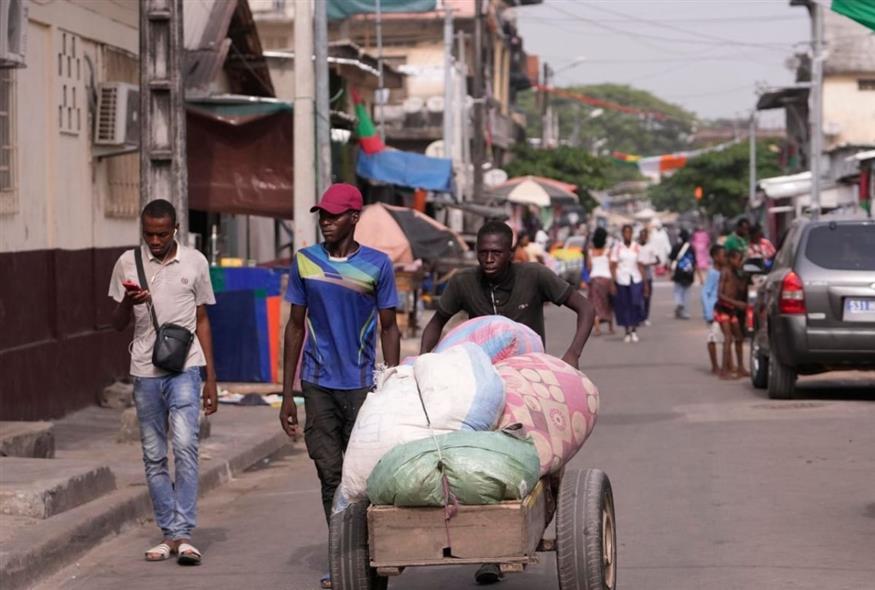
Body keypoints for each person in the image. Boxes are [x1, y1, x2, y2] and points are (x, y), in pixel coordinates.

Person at [419, 220, 594, 585]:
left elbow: (585, 308)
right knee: (484, 462)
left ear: (511, 253)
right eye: (482, 252)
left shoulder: (535, 277)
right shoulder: (464, 283)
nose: (488, 259)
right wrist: (425, 363)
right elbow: (436, 323)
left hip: (531, 384)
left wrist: (572, 354)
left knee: (545, 463)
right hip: (482, 384)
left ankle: (553, 521)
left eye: (496, 253)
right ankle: (492, 551)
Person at [278, 184, 401, 590]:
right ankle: (343, 556)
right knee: (329, 474)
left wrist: (393, 381)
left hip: (363, 385)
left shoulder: (377, 266)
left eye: (333, 216)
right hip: (317, 383)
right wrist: (286, 395)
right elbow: (295, 327)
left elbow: (389, 327)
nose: (326, 223)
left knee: (364, 476)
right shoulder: (305, 262)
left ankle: (372, 556)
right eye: (322, 216)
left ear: (353, 217)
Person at [108, 199, 217, 565]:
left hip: (185, 368)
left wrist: (212, 379)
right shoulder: (127, 262)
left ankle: (184, 532)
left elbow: (202, 319)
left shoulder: (196, 262)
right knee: (154, 455)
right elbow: (117, 323)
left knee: (185, 446)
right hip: (144, 371)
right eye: (148, 234)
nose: (155, 241)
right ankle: (169, 534)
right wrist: (128, 299)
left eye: (161, 234)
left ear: (175, 230)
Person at [610, 224, 648, 343]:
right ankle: (627, 330)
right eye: (625, 232)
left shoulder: (636, 247)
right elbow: (613, 266)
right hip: (622, 279)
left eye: (629, 232)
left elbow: (641, 265)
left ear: (632, 234)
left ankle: (634, 329)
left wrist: (645, 283)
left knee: (635, 303)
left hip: (635, 278)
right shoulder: (617, 247)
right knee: (624, 305)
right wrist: (612, 282)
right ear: (623, 234)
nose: (627, 234)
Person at [715, 249, 749, 379]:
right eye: (738, 259)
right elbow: (720, 294)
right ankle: (724, 370)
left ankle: (740, 368)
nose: (739, 262)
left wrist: (746, 278)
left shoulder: (736, 273)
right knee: (728, 338)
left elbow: (740, 288)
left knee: (739, 338)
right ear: (731, 259)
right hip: (723, 309)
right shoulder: (725, 272)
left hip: (732, 310)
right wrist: (736, 303)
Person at [701, 245, 726, 374]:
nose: (725, 258)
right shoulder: (713, 273)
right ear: (715, 257)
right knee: (712, 337)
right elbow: (705, 292)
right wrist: (707, 311)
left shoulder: (725, 271)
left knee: (725, 337)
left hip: (724, 308)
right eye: (723, 255)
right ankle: (714, 365)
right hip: (713, 309)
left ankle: (726, 364)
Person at [586, 227, 615, 336]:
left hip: (595, 280)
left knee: (595, 304)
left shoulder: (591, 252)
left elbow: (589, 267)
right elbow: (611, 266)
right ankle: (610, 327)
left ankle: (597, 327)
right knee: (608, 303)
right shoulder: (608, 251)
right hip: (606, 279)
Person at [669, 229, 697, 319]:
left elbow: (671, 258)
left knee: (678, 290)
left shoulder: (676, 246)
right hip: (689, 273)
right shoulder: (691, 248)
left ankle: (679, 304)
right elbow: (695, 262)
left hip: (678, 272)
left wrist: (670, 271)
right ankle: (684, 310)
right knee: (686, 292)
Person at [637, 227, 659, 326]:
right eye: (641, 236)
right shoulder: (636, 246)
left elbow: (658, 260)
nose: (642, 237)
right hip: (637, 274)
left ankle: (645, 317)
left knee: (647, 297)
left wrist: (648, 263)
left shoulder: (650, 247)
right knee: (638, 297)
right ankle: (639, 316)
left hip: (648, 274)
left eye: (644, 236)